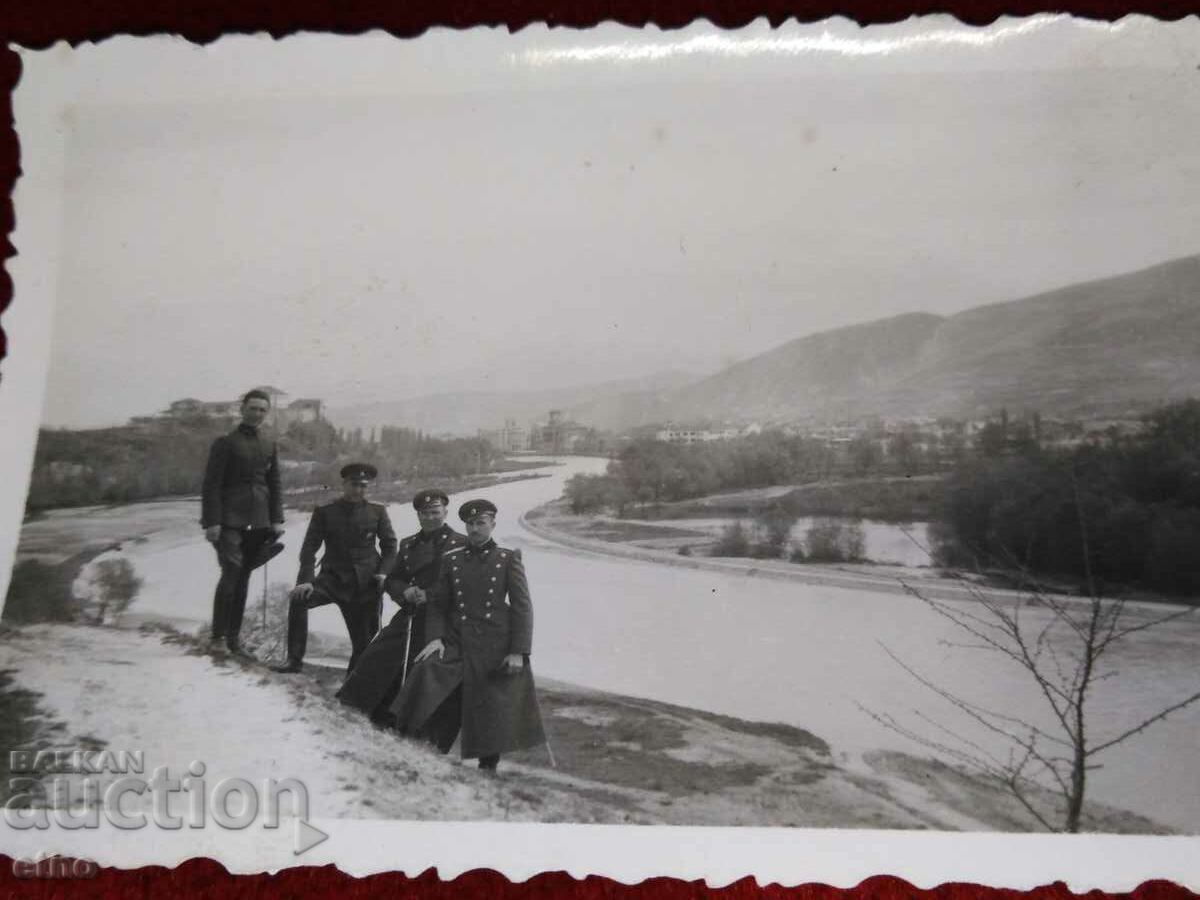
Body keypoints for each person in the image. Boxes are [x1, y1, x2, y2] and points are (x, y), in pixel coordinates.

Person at [388, 498, 546, 772]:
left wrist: (518, 651)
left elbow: (523, 607)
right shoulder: (452, 559)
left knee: (491, 702)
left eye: (480, 523)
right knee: (428, 671)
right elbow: (439, 602)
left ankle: (488, 766)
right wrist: (435, 638)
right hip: (457, 640)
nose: (474, 529)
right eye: (470, 524)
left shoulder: (508, 559)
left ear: (492, 524)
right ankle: (420, 745)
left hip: (495, 643)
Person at [338, 489, 468, 722]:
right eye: (424, 513)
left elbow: (467, 587)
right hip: (411, 613)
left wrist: (432, 595)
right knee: (377, 653)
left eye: (435, 512)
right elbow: (392, 579)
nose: (430, 517)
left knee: (425, 669)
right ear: (418, 515)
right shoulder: (408, 545)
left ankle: (409, 726)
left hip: (445, 619)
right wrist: (404, 591)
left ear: (445, 512)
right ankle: (357, 710)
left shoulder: (462, 544)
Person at [273, 463, 398, 675]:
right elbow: (309, 549)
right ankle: (294, 661)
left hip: (366, 584)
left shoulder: (378, 511)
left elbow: (390, 547)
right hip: (332, 580)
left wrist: (383, 573)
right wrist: (305, 580)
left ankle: (352, 684)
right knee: (299, 599)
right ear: (344, 484)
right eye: (353, 484)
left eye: (363, 485)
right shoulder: (325, 512)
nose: (358, 490)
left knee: (364, 642)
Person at [201, 388, 286, 656]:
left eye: (262, 410)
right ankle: (218, 638)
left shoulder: (269, 444)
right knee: (231, 573)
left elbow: (274, 483)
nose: (257, 413)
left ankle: (234, 640)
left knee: (244, 577)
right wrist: (212, 522)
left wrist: (277, 519)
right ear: (242, 409)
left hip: (259, 521)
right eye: (253, 408)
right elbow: (211, 485)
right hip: (228, 520)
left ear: (266, 413)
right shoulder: (225, 443)